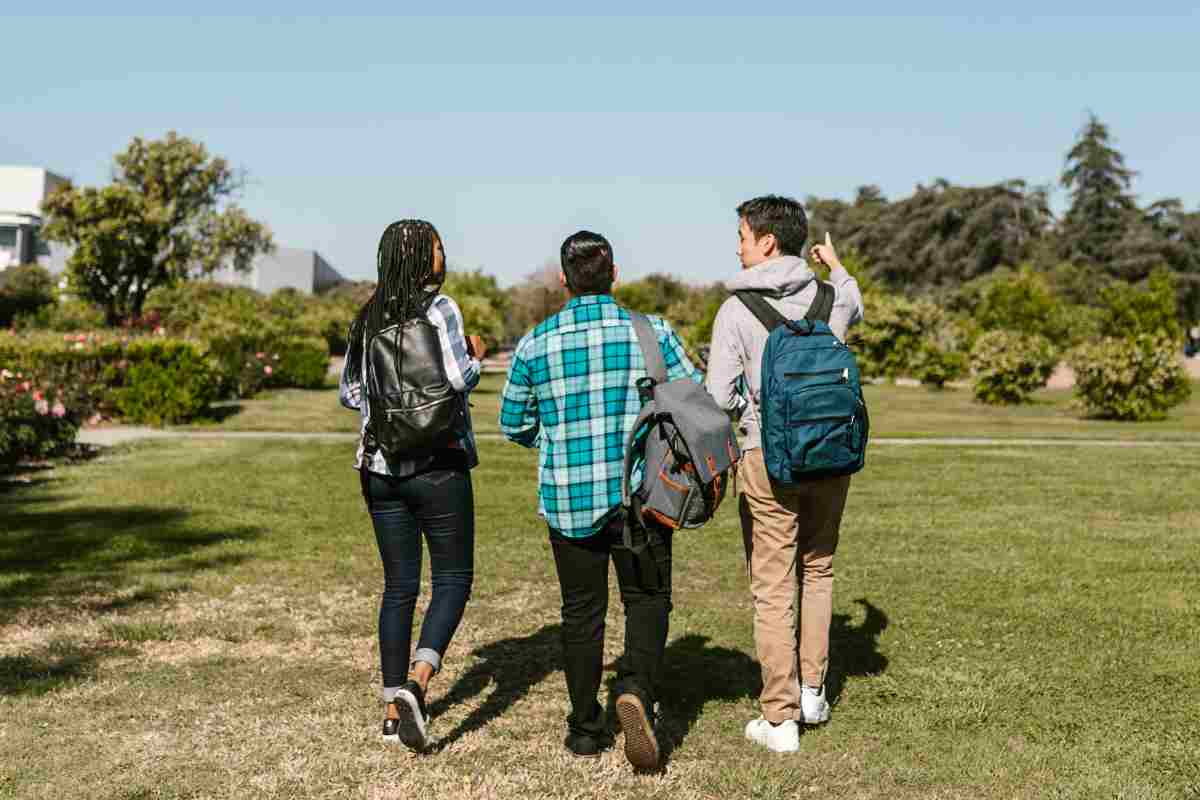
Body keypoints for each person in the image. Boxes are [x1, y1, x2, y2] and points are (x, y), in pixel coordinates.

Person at [499, 231, 701, 771]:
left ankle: (586, 729)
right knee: (648, 600)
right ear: (614, 274)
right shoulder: (652, 332)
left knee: (581, 613)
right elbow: (694, 398)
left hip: (569, 498)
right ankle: (635, 688)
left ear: (564, 279)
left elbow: (512, 423)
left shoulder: (535, 342)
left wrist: (558, 437)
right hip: (642, 497)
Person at [705, 195, 864, 753]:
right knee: (818, 569)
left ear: (767, 241)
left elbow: (719, 396)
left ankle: (779, 717)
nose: (739, 245)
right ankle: (814, 691)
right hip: (831, 455)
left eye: (744, 235)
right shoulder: (830, 298)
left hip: (766, 460)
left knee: (772, 586)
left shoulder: (737, 310)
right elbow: (855, 303)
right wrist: (836, 265)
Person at [339, 219, 486, 752]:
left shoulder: (366, 317)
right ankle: (418, 687)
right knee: (453, 578)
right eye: (440, 247)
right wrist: (476, 353)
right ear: (425, 259)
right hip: (438, 464)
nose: (445, 254)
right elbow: (456, 379)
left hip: (379, 467)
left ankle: (388, 714)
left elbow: (351, 393)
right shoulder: (440, 309)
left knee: (398, 587)